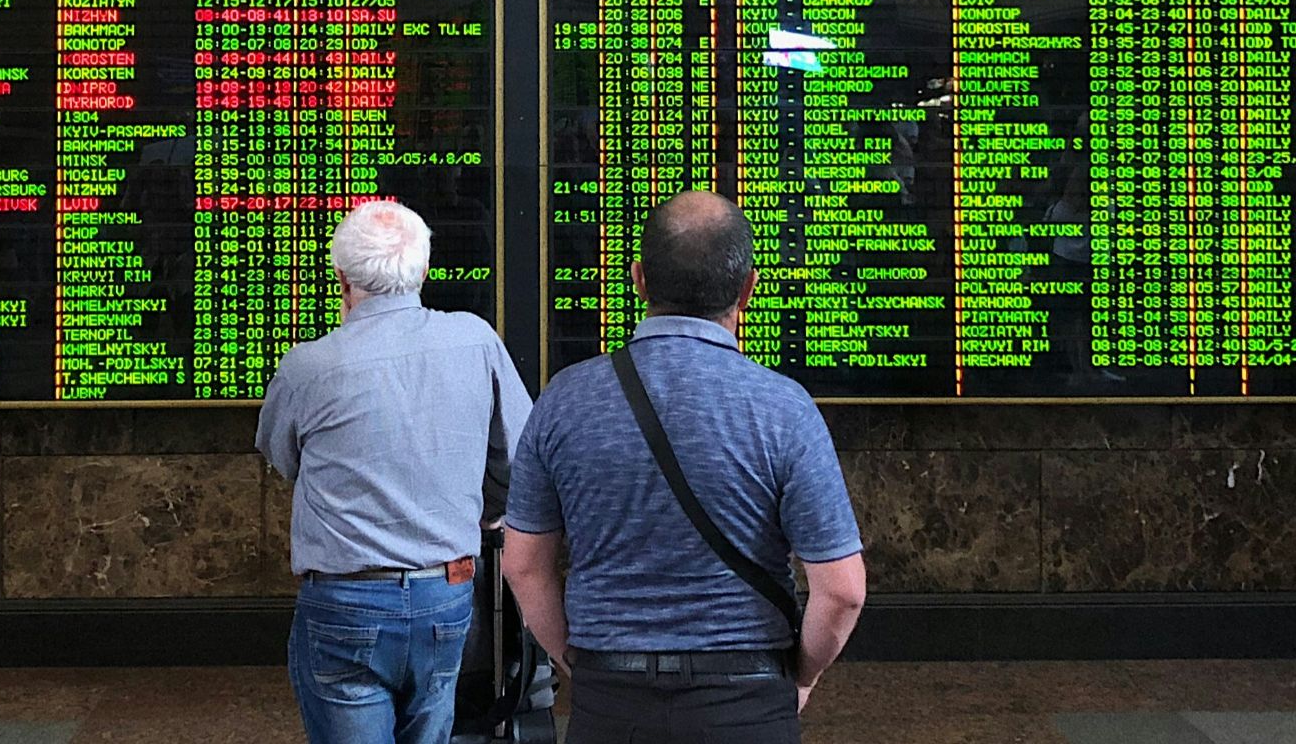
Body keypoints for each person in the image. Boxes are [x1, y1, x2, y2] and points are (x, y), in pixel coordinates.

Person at [502, 191, 867, 744]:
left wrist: (578, 661)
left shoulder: (563, 401)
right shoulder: (784, 409)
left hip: (610, 701)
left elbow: (524, 565)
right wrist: (801, 675)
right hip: (747, 701)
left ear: (638, 279)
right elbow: (842, 590)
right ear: (749, 287)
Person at [257, 200, 533, 744]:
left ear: (340, 277)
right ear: (424, 271)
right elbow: (519, 459)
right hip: (446, 594)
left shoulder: (306, 366)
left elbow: (281, 459)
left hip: (343, 602)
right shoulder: (476, 341)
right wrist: (484, 508)